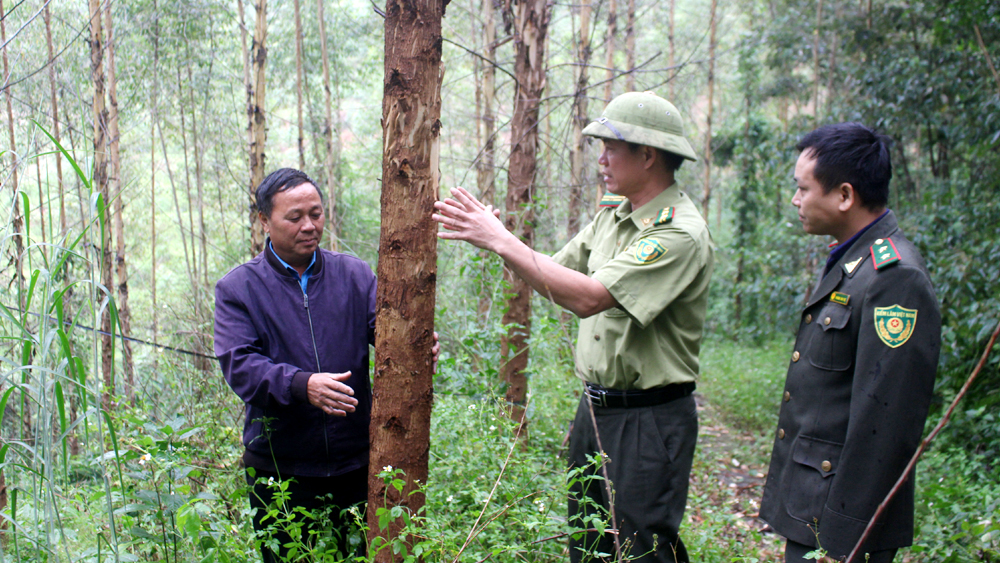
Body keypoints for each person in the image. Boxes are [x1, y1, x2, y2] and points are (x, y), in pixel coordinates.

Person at [432, 91, 713, 563]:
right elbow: (554, 273)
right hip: (596, 409)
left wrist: (502, 240)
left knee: (641, 547)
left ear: (647, 156)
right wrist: (499, 241)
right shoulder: (614, 214)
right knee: (588, 541)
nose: (600, 160)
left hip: (649, 419)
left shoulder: (676, 233)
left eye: (611, 148)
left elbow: (586, 298)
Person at [214, 168, 438, 561]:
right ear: (265, 221)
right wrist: (303, 385)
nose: (309, 226)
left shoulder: (353, 275)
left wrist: (416, 347)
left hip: (356, 463)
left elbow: (386, 331)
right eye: (294, 217)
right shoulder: (239, 289)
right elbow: (240, 365)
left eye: (316, 214)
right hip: (280, 469)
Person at [759, 123, 941, 563]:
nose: (795, 200)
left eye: (803, 189)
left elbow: (886, 423)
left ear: (844, 195)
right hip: (813, 502)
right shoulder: (851, 260)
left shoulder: (895, 279)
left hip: (840, 518)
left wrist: (844, 542)